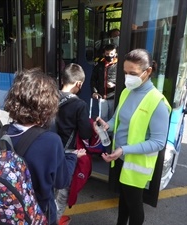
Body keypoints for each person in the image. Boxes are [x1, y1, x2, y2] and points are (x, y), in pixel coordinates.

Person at [0, 68, 80, 225]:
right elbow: (62, 181)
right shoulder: (51, 141)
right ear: (48, 106)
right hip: (38, 213)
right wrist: (72, 157)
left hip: (9, 210)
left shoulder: (4, 132)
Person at [96, 48, 171, 225]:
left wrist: (124, 149)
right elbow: (118, 118)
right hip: (120, 158)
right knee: (123, 201)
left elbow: (158, 143)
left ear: (148, 72)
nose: (128, 77)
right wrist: (108, 125)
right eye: (125, 72)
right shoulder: (126, 91)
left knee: (135, 205)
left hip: (136, 163)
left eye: (133, 73)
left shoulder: (157, 102)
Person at [55, 63, 92, 224]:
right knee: (61, 194)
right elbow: (85, 134)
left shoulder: (49, 97)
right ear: (79, 84)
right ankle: (53, 220)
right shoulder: (79, 105)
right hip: (67, 154)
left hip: (48, 151)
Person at [90, 43, 118, 122]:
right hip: (102, 96)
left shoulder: (119, 66)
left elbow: (123, 80)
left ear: (115, 54)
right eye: (107, 54)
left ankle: (111, 133)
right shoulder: (99, 65)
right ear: (104, 54)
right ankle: (104, 133)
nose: (109, 56)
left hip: (113, 96)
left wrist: (114, 85)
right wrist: (94, 92)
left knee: (113, 116)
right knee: (103, 116)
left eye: (112, 54)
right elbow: (93, 80)